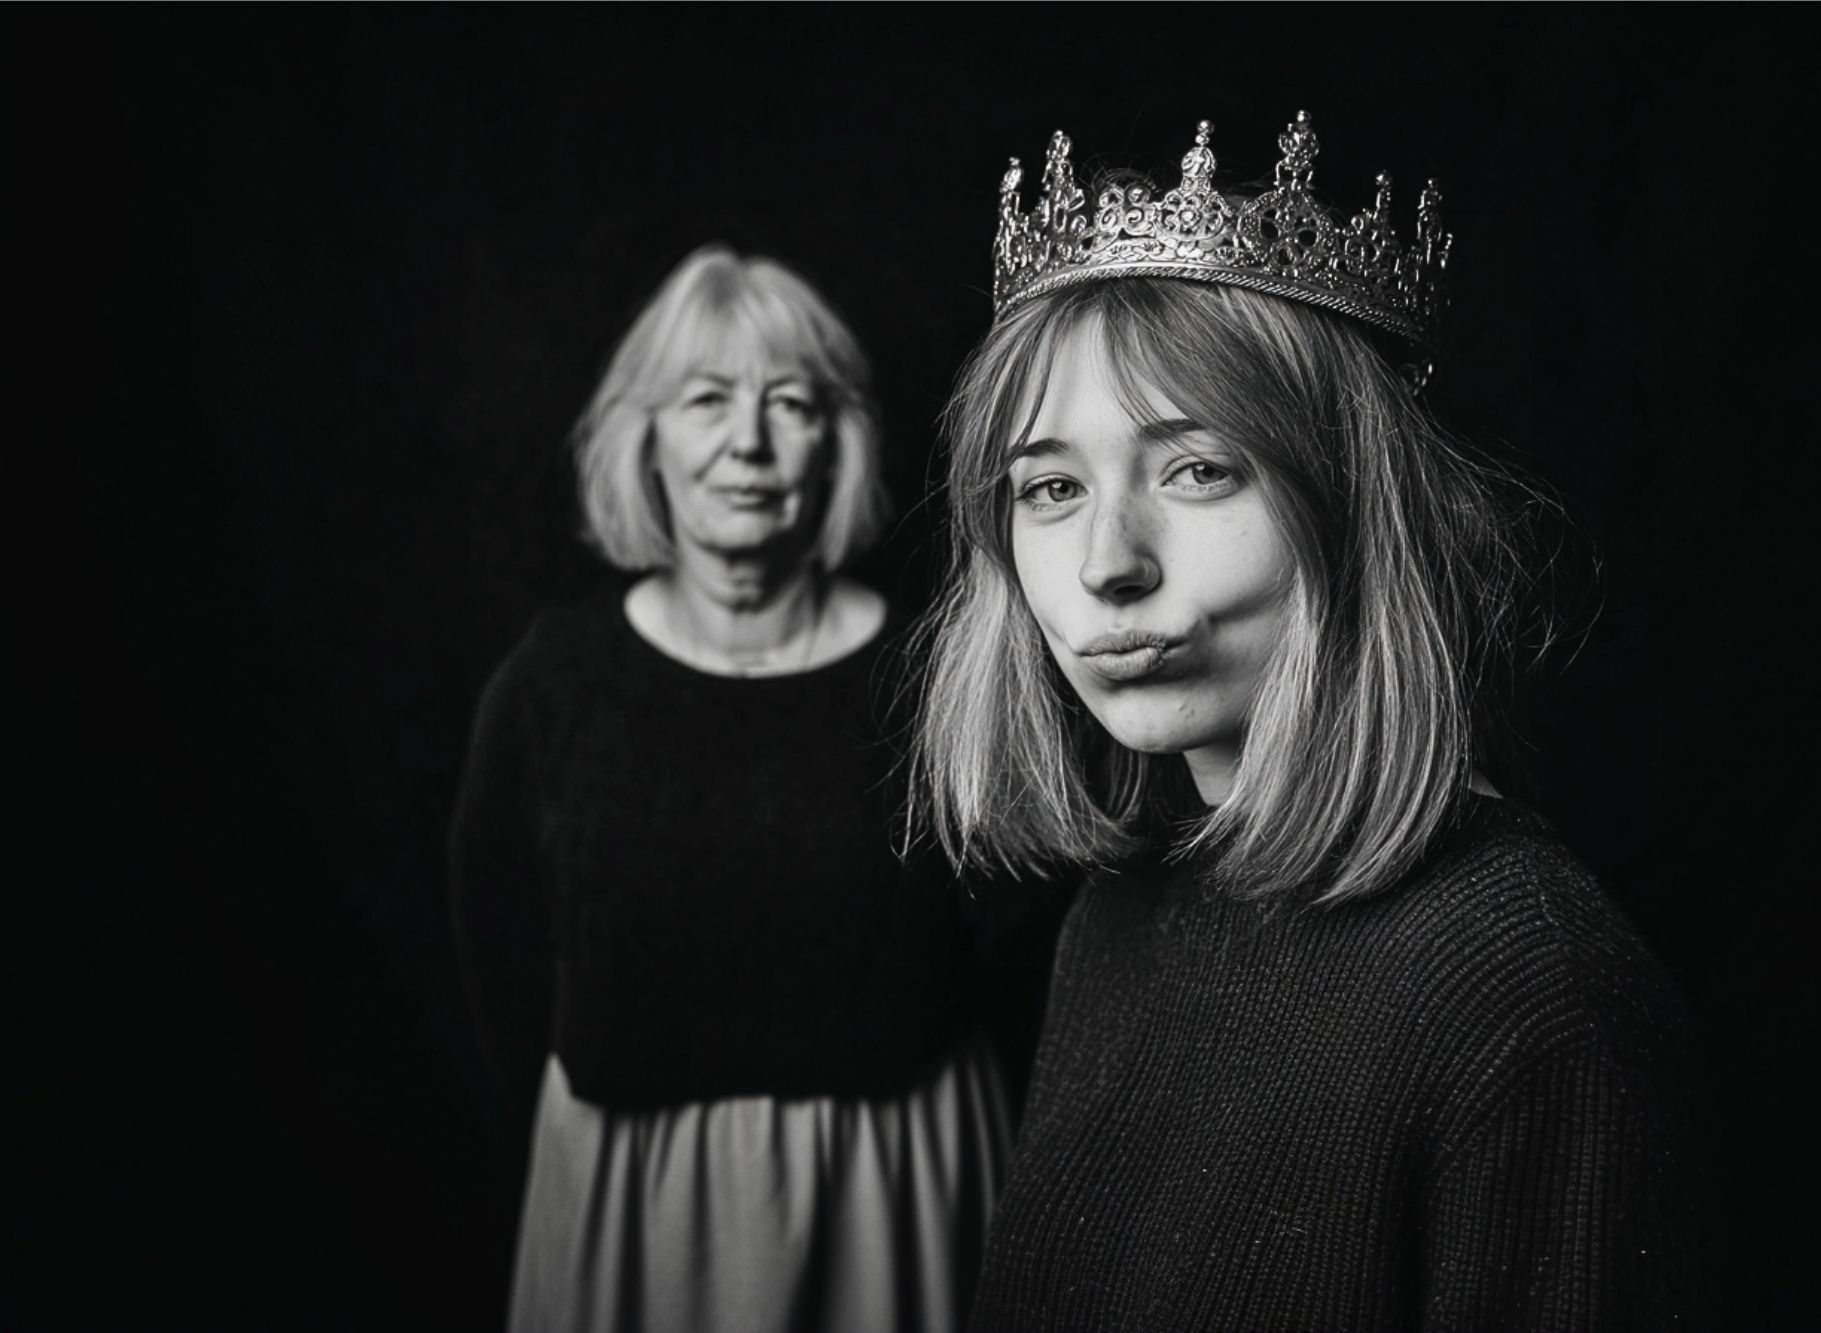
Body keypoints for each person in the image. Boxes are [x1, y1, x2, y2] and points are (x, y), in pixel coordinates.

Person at [915, 115, 1711, 1330]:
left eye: (1198, 469)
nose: (1104, 563)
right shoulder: (1113, 917)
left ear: (1352, 504)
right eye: (1050, 487)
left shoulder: (1531, 993)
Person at [450, 243, 1016, 1333]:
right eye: (705, 399)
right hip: (628, 1205)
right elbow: (499, 953)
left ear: (836, 443)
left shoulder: (935, 680)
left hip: (893, 1196)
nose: (745, 443)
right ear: (644, 439)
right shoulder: (551, 683)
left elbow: (1023, 962)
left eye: (788, 403)